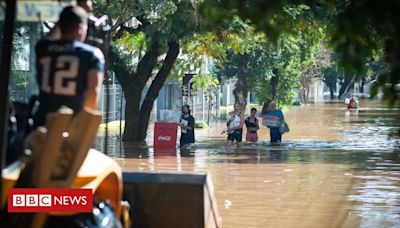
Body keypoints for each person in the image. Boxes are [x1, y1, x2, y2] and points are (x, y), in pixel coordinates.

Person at [34, 6, 104, 127]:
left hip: (42, 125)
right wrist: (81, 129)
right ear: (80, 27)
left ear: (60, 25)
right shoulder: (92, 54)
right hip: (71, 127)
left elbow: (50, 37)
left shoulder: (43, 47)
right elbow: (93, 93)